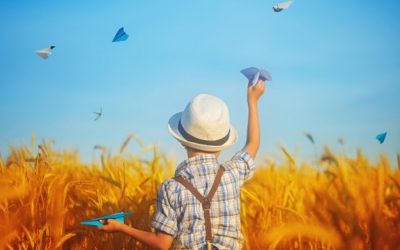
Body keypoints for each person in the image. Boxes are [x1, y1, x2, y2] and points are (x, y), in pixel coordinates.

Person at [98, 79, 266, 250]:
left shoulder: (171, 188)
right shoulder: (232, 174)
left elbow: (162, 243)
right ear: (220, 147)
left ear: (182, 141)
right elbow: (253, 144)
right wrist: (252, 101)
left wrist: (121, 227)